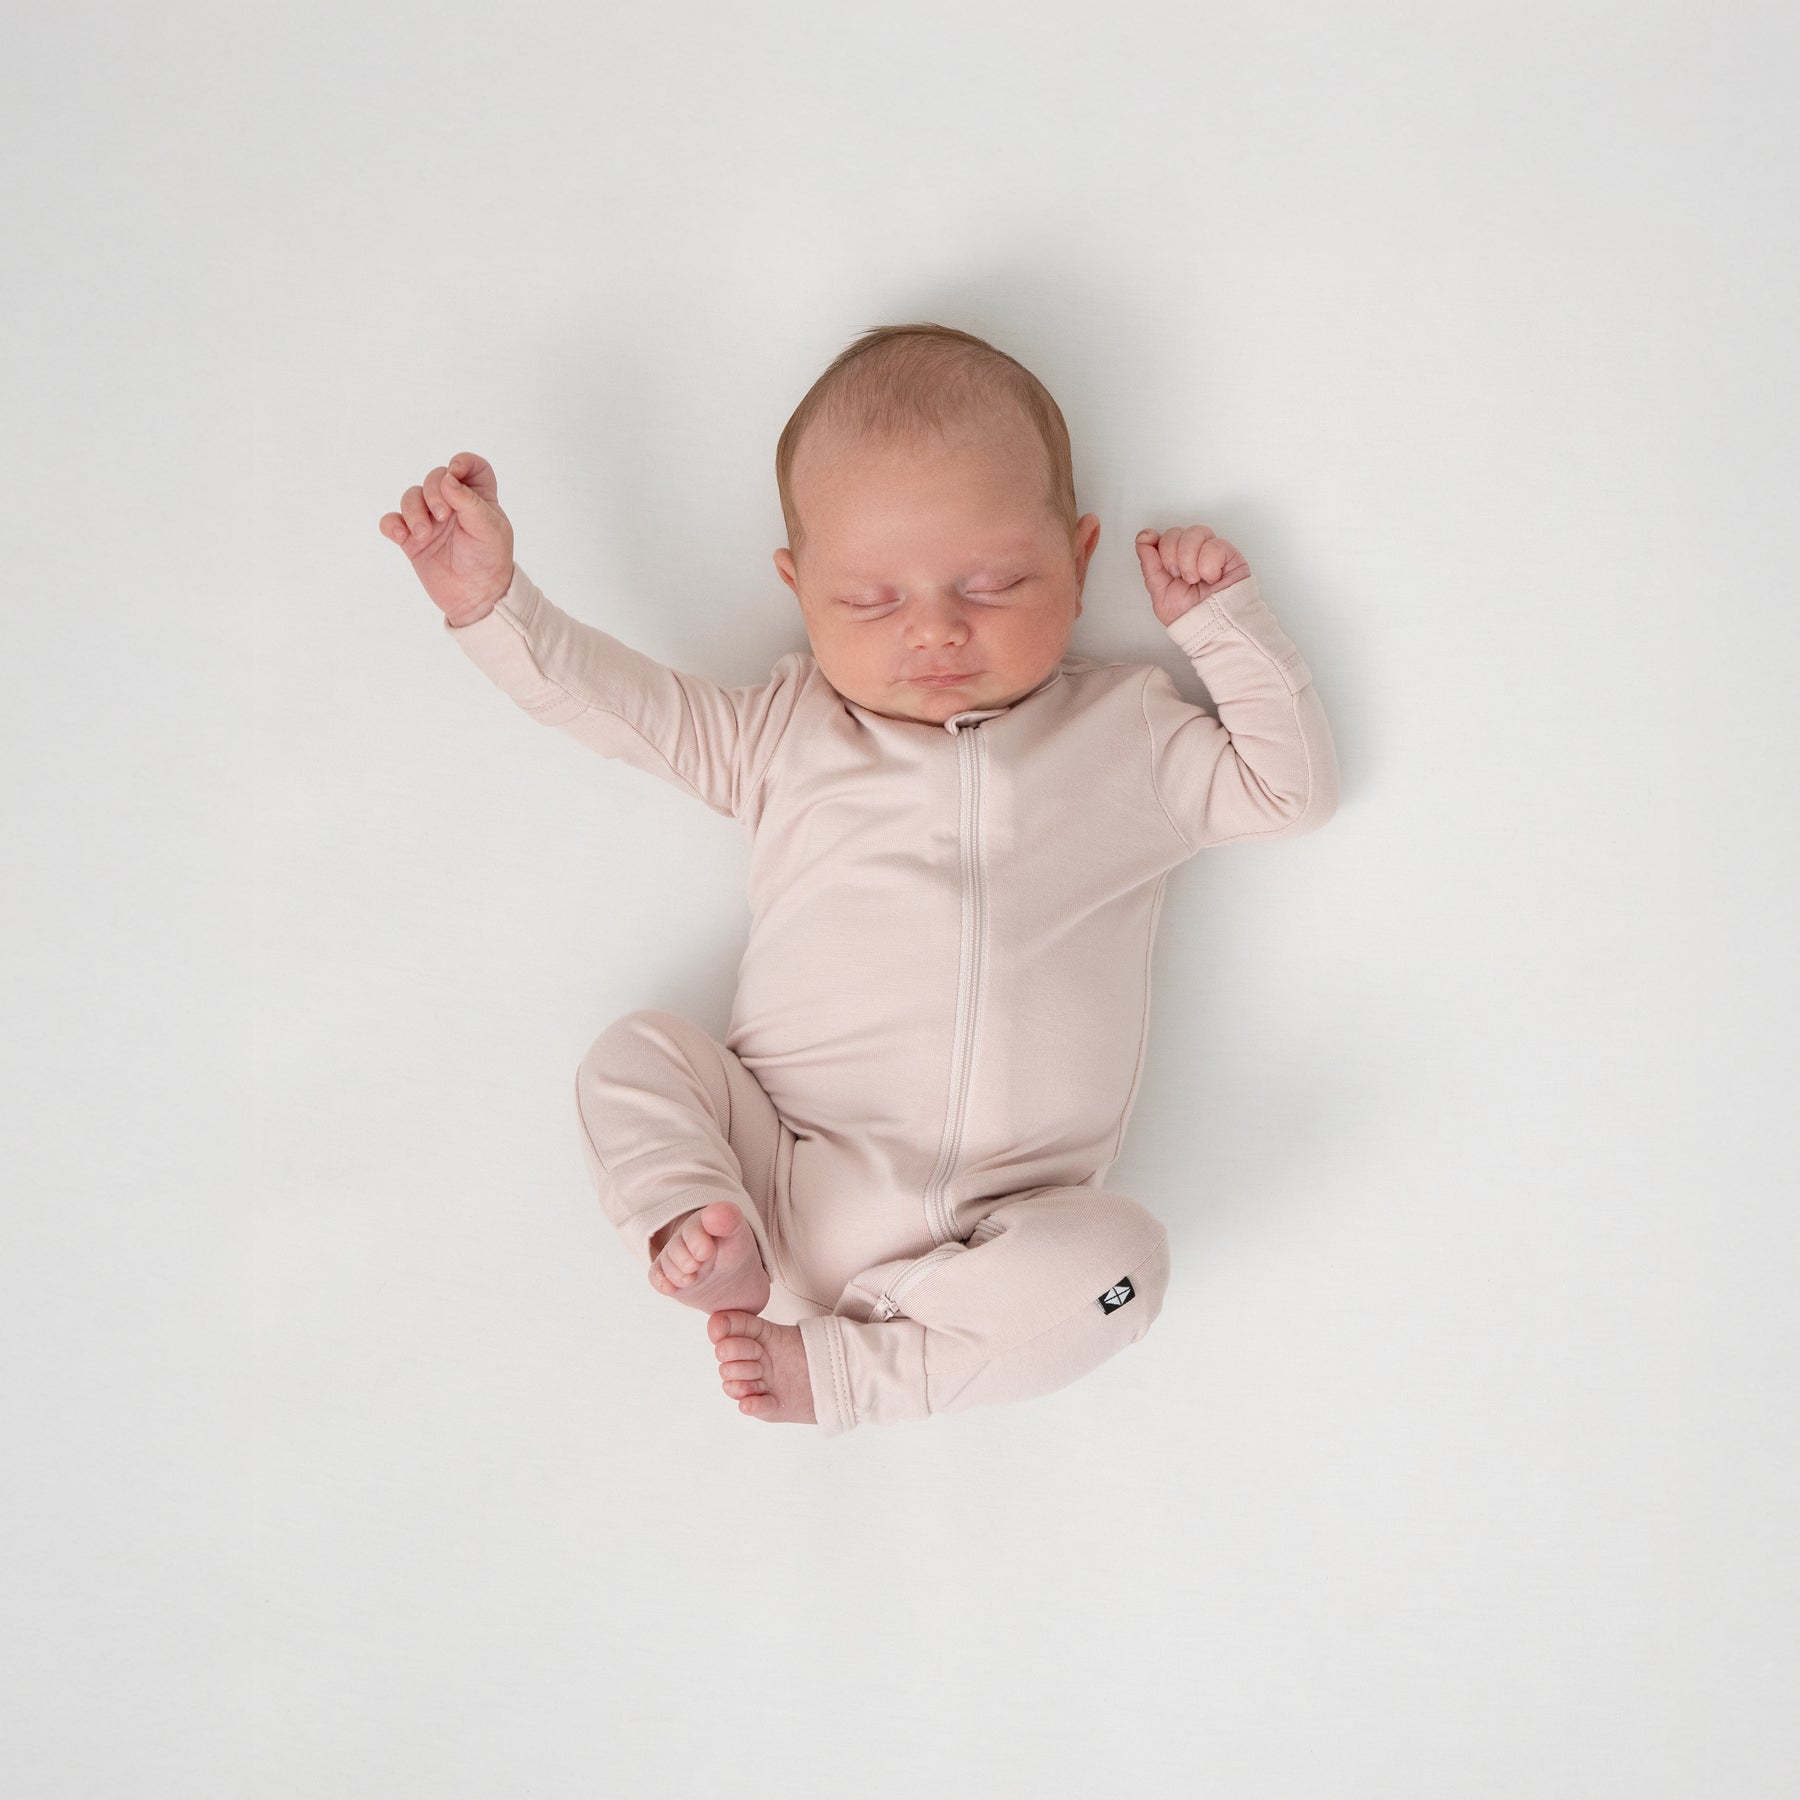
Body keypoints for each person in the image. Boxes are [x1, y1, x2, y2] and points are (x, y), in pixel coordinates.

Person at [378, 323, 1340, 1436]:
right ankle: (688, 1217)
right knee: (634, 1056)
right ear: (799, 590)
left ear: (1078, 564)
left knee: (1124, 1269)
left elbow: (1289, 789)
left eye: (992, 583)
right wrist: (493, 604)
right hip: (784, 1178)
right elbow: (613, 707)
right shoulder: (783, 736)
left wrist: (1223, 629)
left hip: (1017, 1229)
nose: (934, 629)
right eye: (871, 602)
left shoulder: (1129, 737)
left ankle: (840, 1376)